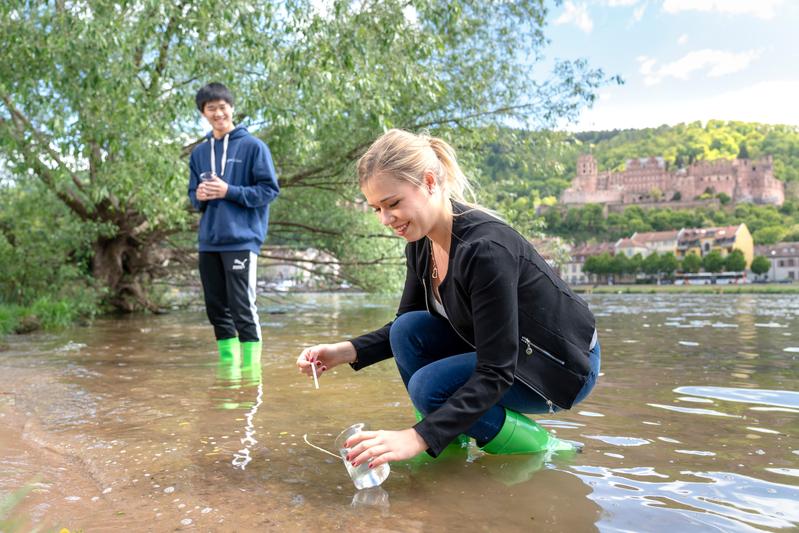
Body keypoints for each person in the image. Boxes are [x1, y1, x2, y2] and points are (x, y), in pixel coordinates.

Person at [296, 129, 600, 469]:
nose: (385, 219)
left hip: (562, 365)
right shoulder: (420, 243)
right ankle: (448, 443)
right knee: (407, 331)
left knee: (431, 387)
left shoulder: (485, 250)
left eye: (393, 203)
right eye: (376, 208)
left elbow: (496, 371)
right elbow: (404, 328)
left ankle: (543, 449)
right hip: (507, 352)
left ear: (428, 182)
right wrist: (345, 351)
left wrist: (414, 436)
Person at [188, 82, 280, 361]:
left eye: (222, 107)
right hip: (209, 241)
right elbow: (192, 199)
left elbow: (269, 190)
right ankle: (229, 377)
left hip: (242, 239)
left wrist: (229, 190)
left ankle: (251, 377)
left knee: (242, 306)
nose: (218, 113)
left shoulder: (254, 147)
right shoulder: (199, 153)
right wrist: (200, 195)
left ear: (231, 108)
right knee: (216, 308)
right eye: (210, 108)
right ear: (203, 113)